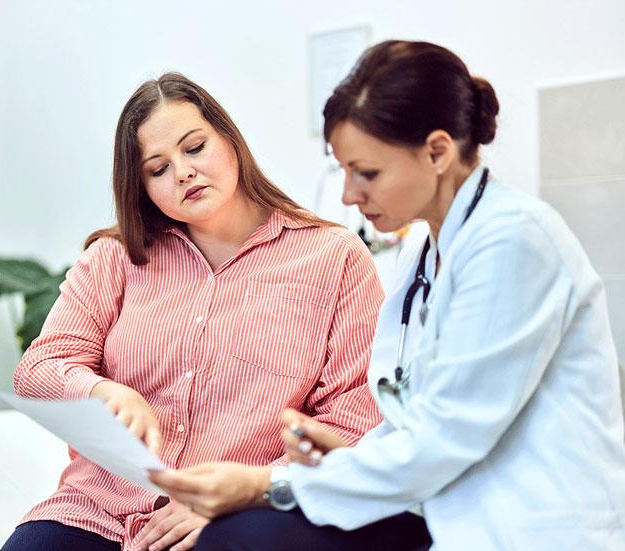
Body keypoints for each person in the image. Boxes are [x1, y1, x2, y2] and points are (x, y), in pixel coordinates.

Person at [150, 40, 625, 550]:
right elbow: (413, 418)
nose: (349, 196)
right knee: (242, 536)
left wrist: (265, 485)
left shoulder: (515, 242)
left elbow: (444, 439)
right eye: (345, 171)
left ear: (438, 152)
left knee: (242, 536)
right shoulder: (422, 247)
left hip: (524, 527)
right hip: (441, 506)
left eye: (367, 173)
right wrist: (343, 457)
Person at [1, 73, 386, 551]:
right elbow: (38, 369)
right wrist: (102, 391)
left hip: (234, 516)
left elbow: (351, 424)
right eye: (157, 169)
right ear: (140, 187)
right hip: (97, 508)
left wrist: (247, 491)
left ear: (230, 141)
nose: (182, 172)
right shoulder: (115, 256)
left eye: (195, 147)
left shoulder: (333, 256)